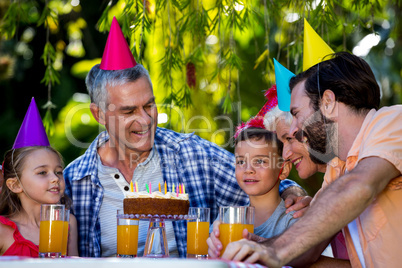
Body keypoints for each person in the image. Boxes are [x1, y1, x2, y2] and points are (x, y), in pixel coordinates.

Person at [63, 18, 306, 258]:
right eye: (129, 111)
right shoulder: (74, 180)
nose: (146, 120)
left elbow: (259, 178)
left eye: (149, 105)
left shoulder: (192, 154)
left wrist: (290, 190)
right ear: (99, 114)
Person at [220, 52, 402, 267]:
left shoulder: (392, 120)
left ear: (327, 102)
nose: (295, 128)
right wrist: (259, 247)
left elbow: (358, 186)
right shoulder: (338, 169)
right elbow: (309, 249)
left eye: (296, 113)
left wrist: (276, 250)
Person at [207, 117, 298, 257]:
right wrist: (212, 249)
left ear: (283, 169)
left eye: (260, 161)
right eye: (241, 161)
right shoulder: (228, 218)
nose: (248, 169)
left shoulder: (293, 220)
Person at [0, 98, 78, 257]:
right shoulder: (2, 231)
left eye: (58, 172)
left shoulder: (68, 223)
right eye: (42, 172)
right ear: (15, 185)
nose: (55, 178)